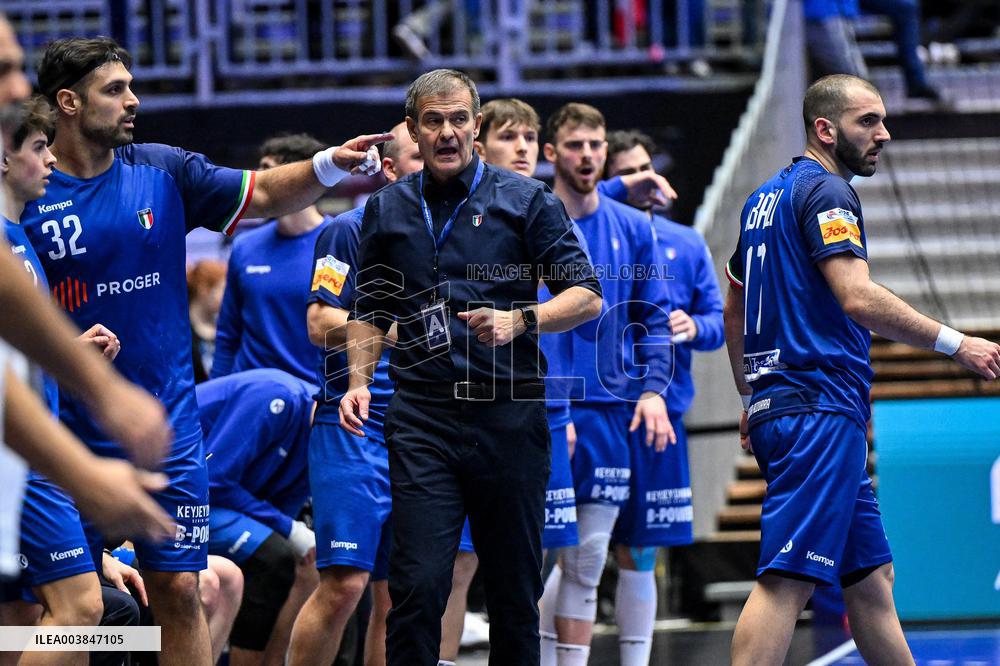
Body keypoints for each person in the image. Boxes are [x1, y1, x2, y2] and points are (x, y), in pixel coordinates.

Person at [22, 36, 391, 664]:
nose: (133, 100)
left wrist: (330, 164)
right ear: (69, 103)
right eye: (115, 90)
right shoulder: (26, 193)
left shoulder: (162, 170)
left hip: (170, 433)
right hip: (59, 438)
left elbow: (264, 192)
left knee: (182, 589)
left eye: (132, 86)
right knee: (60, 615)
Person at [722, 74, 1000, 665]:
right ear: (825, 129)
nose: (884, 134)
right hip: (817, 408)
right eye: (867, 121)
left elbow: (736, 301)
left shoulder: (760, 201)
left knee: (872, 582)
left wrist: (752, 396)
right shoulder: (827, 193)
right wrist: (958, 343)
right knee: (788, 578)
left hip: (791, 406)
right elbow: (857, 297)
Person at [340, 69, 602, 666]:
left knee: (513, 594)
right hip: (422, 419)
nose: (447, 132)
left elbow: (586, 295)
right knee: (417, 586)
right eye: (433, 121)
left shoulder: (527, 200)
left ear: (476, 126)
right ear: (412, 129)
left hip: (507, 417)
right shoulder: (385, 210)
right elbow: (370, 309)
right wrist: (357, 382)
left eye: (459, 119)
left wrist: (522, 320)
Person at [540, 103, 674, 666]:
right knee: (531, 560)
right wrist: (551, 410)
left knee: (590, 558)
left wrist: (652, 390)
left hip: (610, 412)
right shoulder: (531, 216)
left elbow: (656, 315)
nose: (587, 155)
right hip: (544, 410)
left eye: (595, 144)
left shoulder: (630, 228)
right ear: (552, 153)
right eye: (574, 145)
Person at [291, 121, 415, 666]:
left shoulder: (452, 237)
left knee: (398, 595)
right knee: (345, 584)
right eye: (421, 152)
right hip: (353, 427)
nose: (442, 156)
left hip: (421, 429)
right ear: (389, 167)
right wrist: (400, 332)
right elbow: (320, 322)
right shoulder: (347, 229)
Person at [603, 129, 724, 665]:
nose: (646, 183)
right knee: (581, 548)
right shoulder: (588, 230)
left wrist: (693, 326)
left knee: (641, 549)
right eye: (631, 174)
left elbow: (719, 323)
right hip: (600, 408)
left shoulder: (687, 242)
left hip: (663, 412)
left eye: (648, 169)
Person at [472, 98, 583, 661]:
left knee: (537, 564)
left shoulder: (542, 210)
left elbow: (585, 299)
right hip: (451, 411)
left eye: (528, 139)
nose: (521, 149)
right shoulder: (450, 212)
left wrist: (558, 414)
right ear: (477, 142)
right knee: (445, 569)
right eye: (507, 137)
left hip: (532, 410)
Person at [197, 369, 316, 666]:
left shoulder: (323, 444)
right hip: (176, 496)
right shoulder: (277, 395)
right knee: (272, 559)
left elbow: (281, 509)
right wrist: (289, 528)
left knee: (311, 566)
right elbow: (213, 481)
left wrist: (289, 529)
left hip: (219, 503)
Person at [212, 133, 335, 384]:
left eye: (267, 170)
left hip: (313, 399)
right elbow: (228, 334)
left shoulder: (338, 242)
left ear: (299, 178)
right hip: (251, 396)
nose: (257, 179)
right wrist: (219, 393)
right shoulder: (244, 246)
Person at [187, 259, 227, 383]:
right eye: (223, 289)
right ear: (204, 289)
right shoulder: (182, 333)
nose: (227, 295)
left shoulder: (225, 327)